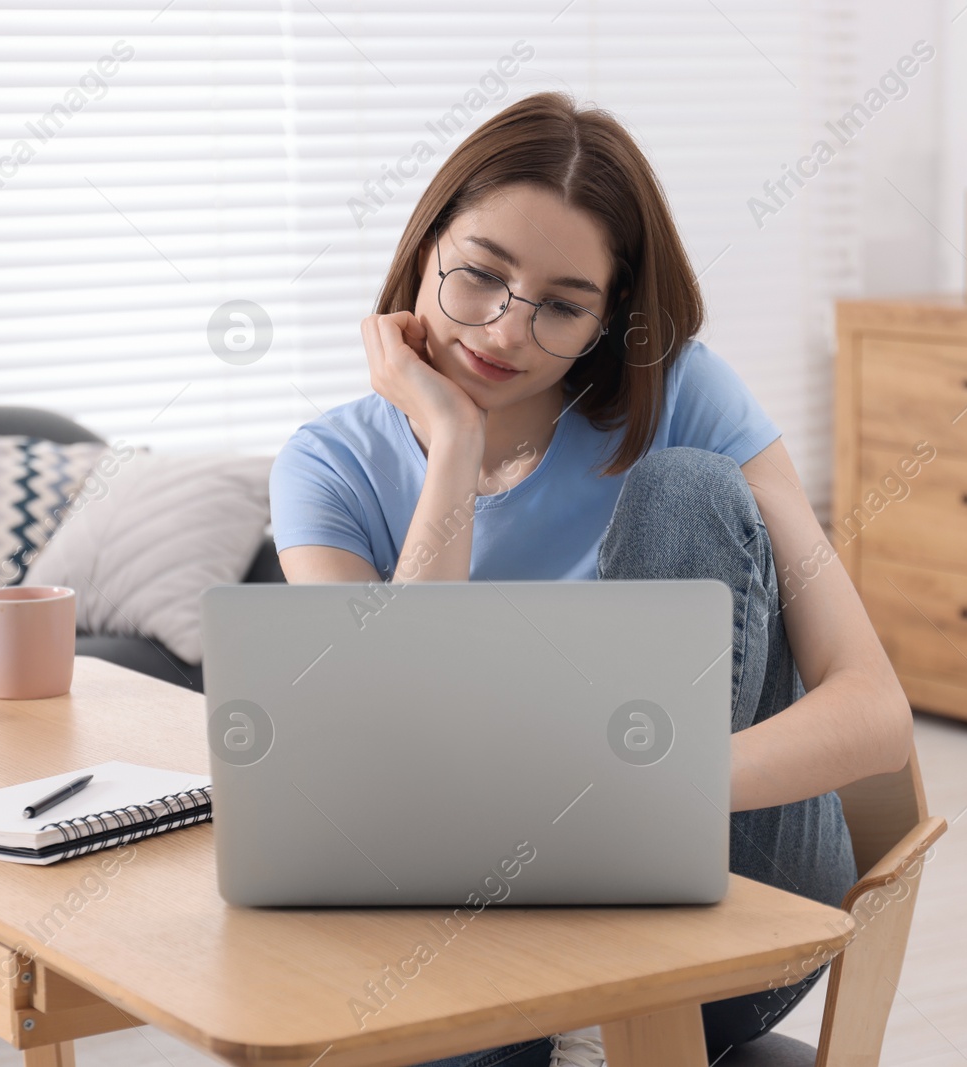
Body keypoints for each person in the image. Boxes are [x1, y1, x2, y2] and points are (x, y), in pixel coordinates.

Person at [266, 91, 913, 1067]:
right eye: (479, 275)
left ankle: (590, 1007)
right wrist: (450, 442)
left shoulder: (686, 394)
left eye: (562, 305)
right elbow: (384, 740)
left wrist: (640, 794)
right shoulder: (326, 465)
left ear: (610, 319)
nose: (504, 330)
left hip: (731, 893)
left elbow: (874, 710)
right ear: (423, 247)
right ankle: (566, 1017)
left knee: (685, 487)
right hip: (480, 912)